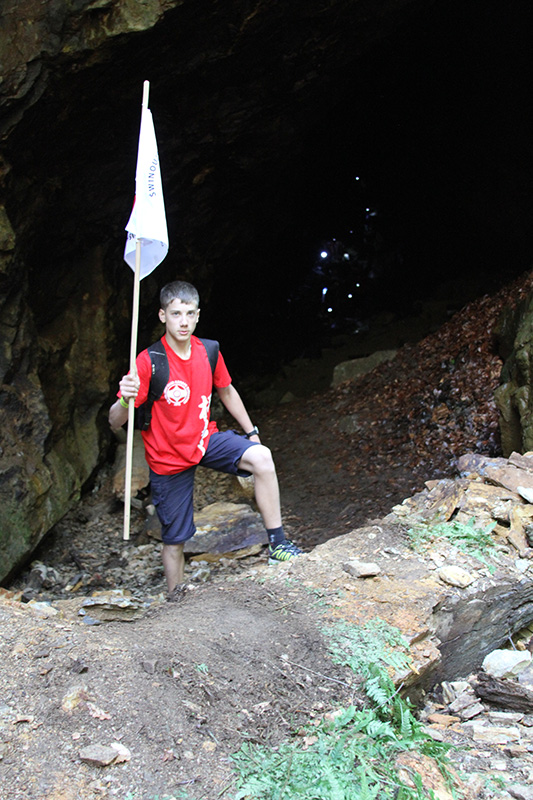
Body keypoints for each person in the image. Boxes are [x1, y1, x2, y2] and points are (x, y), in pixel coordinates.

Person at [109, 280, 302, 597]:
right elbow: (115, 422)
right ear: (163, 316)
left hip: (204, 440)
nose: (183, 322)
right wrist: (125, 399)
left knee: (262, 458)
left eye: (189, 314)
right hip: (168, 459)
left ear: (198, 316)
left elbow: (226, 390)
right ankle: (177, 599)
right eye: (176, 314)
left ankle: (278, 545)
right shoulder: (149, 362)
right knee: (175, 540)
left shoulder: (208, 351)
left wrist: (252, 433)